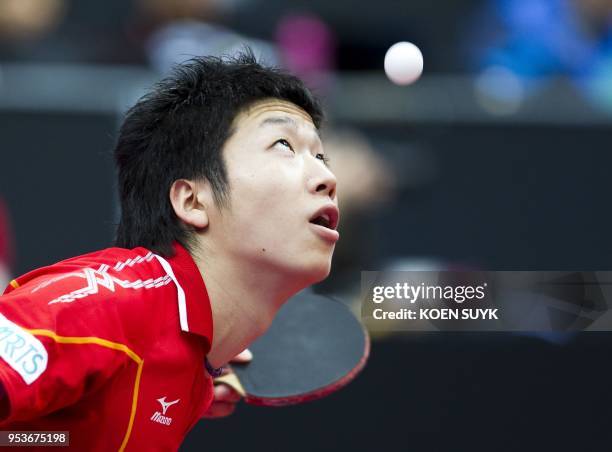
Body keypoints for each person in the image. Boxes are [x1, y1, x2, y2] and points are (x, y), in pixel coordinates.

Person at [0, 51, 339, 450]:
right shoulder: (106, 308)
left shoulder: (189, 366)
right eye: (283, 144)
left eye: (320, 156)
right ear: (193, 201)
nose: (327, 177)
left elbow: (36, 439)